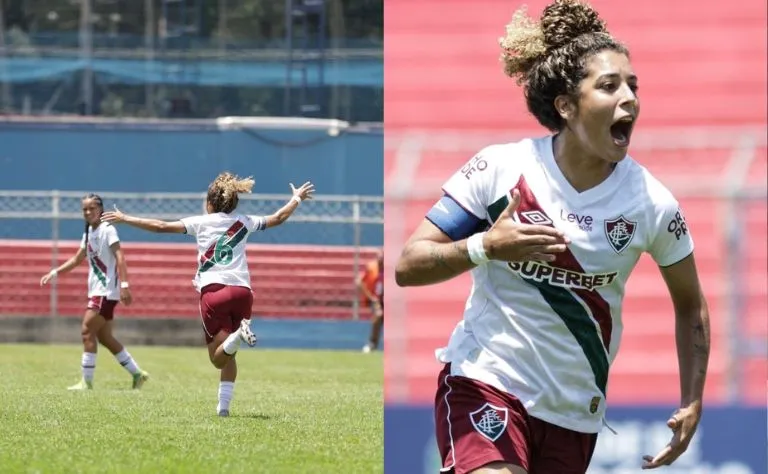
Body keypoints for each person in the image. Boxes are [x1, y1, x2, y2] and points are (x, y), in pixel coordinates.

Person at [394, 1, 711, 473]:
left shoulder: (651, 202)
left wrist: (693, 398)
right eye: (608, 86)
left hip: (573, 414)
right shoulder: (502, 168)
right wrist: (485, 246)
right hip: (486, 380)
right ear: (566, 105)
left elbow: (691, 305)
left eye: (632, 85)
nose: (629, 98)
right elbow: (408, 265)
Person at [101, 172, 315, 417]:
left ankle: (237, 337)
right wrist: (296, 198)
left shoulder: (200, 222)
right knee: (229, 352)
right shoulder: (245, 221)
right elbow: (278, 218)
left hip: (214, 292)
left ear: (210, 203)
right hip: (243, 292)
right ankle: (223, 409)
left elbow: (160, 226)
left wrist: (125, 218)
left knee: (217, 358)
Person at [40, 193, 150, 391]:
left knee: (86, 330)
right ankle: (137, 374)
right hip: (98, 292)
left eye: (92, 208)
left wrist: (125, 286)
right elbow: (76, 260)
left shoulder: (108, 230)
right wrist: (55, 272)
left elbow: (120, 258)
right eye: (85, 209)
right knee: (105, 338)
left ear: (100, 209)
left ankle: (86, 381)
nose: (88, 212)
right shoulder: (89, 233)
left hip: (105, 292)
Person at [358, 250, 383, 353]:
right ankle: (372, 343)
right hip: (378, 301)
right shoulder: (372, 268)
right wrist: (372, 298)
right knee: (378, 316)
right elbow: (359, 282)